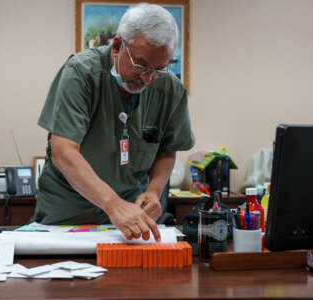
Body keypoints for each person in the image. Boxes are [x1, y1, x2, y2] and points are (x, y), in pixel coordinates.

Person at [32, 3, 195, 242]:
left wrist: (154, 190)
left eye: (159, 69)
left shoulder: (170, 89)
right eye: (140, 65)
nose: (149, 78)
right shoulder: (81, 74)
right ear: (118, 45)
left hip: (133, 212)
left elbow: (167, 150)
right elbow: (63, 150)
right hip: (69, 209)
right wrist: (112, 203)